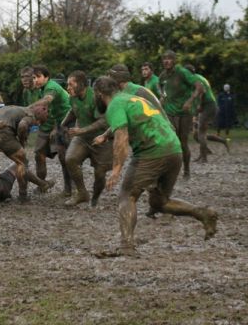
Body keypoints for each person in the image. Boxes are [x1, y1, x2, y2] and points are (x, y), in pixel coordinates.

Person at [92, 76, 217, 257]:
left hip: (152, 152)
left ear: (99, 94)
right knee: (159, 202)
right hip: (174, 149)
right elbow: (134, 119)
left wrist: (117, 168)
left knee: (127, 196)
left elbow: (122, 138)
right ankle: (203, 213)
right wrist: (105, 135)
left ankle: (126, 247)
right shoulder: (132, 99)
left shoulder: (114, 105)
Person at [61, 70, 112, 207]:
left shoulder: (95, 96)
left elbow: (103, 122)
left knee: (100, 173)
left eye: (71, 84)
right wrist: (63, 124)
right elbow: (73, 110)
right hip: (82, 137)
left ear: (82, 84)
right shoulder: (72, 97)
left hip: (102, 138)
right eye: (67, 84)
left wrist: (81, 130)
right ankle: (82, 193)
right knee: (70, 159)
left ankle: (95, 196)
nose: (68, 88)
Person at [159, 50, 204, 179]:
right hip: (169, 111)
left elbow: (199, 87)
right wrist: (162, 95)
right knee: (170, 140)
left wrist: (190, 101)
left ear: (174, 60)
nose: (166, 61)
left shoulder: (182, 72)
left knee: (183, 142)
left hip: (184, 112)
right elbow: (160, 85)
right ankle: (167, 171)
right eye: (164, 58)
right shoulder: (163, 75)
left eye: (169, 58)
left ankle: (187, 170)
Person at [32, 65, 72, 196]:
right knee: (38, 153)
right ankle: (42, 185)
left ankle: (70, 188)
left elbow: (47, 100)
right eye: (33, 77)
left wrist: (27, 109)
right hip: (49, 124)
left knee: (65, 156)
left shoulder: (51, 87)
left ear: (46, 77)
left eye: (38, 77)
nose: (35, 80)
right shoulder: (38, 89)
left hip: (66, 122)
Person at [184, 65, 229, 162]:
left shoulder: (194, 78)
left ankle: (204, 157)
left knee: (201, 133)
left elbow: (202, 91)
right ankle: (206, 152)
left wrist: (200, 105)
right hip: (207, 105)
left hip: (208, 105)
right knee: (197, 134)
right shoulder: (198, 77)